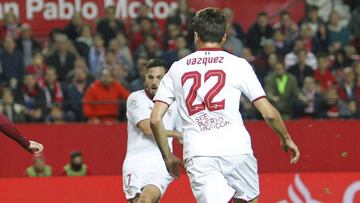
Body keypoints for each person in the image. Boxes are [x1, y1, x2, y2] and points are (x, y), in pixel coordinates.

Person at [150, 8, 300, 203]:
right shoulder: (238, 65)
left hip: (199, 152)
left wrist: (168, 156)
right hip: (236, 148)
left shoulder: (177, 68)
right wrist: (285, 138)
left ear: (196, 36)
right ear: (224, 37)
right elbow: (268, 113)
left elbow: (155, 119)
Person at [123, 59, 182, 203]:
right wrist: (176, 134)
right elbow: (147, 128)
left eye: (159, 77)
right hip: (135, 162)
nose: (154, 82)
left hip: (161, 161)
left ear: (166, 79)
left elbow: (183, 136)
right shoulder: (135, 98)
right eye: (150, 77)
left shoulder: (175, 103)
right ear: (145, 78)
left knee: (146, 200)